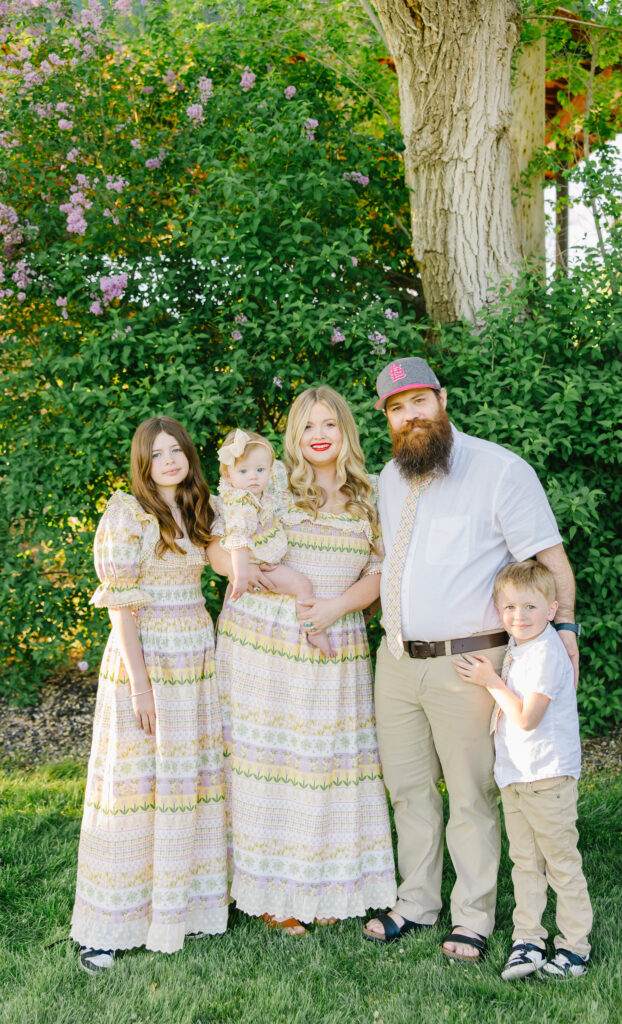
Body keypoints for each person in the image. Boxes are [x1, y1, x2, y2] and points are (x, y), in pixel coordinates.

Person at [363, 357, 580, 962]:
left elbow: (550, 559)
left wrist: (565, 626)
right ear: (388, 419)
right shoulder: (389, 478)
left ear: (442, 399)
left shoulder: (500, 470)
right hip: (396, 659)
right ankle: (416, 901)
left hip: (468, 663)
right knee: (408, 789)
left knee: (470, 793)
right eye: (397, 408)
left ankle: (474, 916)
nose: (410, 416)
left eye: (419, 401)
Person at [210, 386, 396, 934]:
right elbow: (218, 546)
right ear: (295, 434)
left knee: (328, 765)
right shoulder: (270, 484)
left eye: (329, 424)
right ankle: (269, 890)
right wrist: (266, 576)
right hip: (264, 643)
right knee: (268, 766)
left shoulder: (371, 495)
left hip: (336, 643)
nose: (319, 435)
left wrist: (334, 607)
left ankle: (326, 881)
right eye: (308, 426)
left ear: (345, 432)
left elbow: (383, 572)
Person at [71, 417, 229, 974]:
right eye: (157, 454)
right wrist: (141, 687)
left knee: (188, 780)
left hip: (195, 658)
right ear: (143, 463)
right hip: (146, 660)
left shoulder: (201, 509)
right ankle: (109, 925)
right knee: (133, 786)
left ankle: (183, 908)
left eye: (176, 450)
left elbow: (233, 558)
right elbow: (120, 607)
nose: (169, 461)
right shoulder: (128, 515)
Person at [455, 560, 592, 980]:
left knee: (561, 864)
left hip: (547, 775)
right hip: (516, 775)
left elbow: (528, 718)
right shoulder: (521, 645)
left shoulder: (546, 652)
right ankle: (528, 940)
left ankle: (574, 948)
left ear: (552, 609)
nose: (519, 615)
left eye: (530, 607)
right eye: (510, 607)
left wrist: (490, 681)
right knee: (525, 863)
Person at [216, 427, 332, 657]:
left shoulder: (258, 495)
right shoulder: (242, 505)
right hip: (258, 565)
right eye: (243, 471)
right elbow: (238, 542)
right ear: (228, 476)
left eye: (260, 470)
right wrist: (240, 577)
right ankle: (313, 630)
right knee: (303, 586)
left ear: (269, 471)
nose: (253, 476)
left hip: (259, 562)